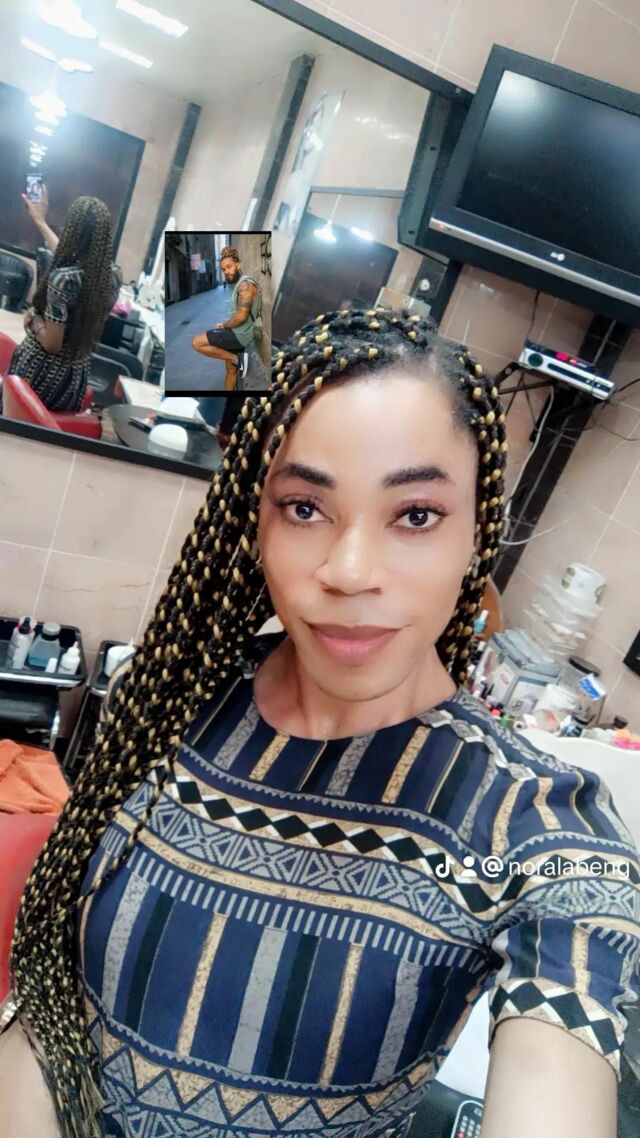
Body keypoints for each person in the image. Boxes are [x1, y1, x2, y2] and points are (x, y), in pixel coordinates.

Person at [3, 307, 640, 1138]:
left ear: (477, 537)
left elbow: (559, 1063)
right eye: (305, 507)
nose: (349, 571)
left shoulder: (537, 829)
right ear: (257, 522)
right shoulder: (171, 699)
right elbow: (55, 983)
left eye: (416, 515)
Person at [7, 189, 120, 413]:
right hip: (73, 383)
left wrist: (34, 319)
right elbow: (68, 255)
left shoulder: (64, 279)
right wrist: (40, 221)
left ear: (72, 231)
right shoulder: (112, 277)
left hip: (39, 379)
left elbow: (52, 344)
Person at [191, 245, 261, 392]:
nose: (227, 272)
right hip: (239, 333)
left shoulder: (245, 285)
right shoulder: (241, 284)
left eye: (229, 267)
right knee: (231, 369)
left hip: (239, 334)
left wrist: (224, 325)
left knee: (197, 342)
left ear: (238, 264)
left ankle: (237, 359)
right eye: (224, 269)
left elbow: (241, 316)